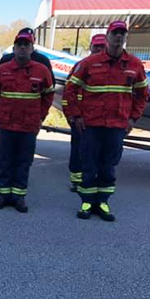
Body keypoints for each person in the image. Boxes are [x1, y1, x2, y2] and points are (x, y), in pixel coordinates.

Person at [64, 21, 149, 221]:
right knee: (89, 163)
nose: (118, 37)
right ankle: (86, 201)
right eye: (115, 33)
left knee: (108, 165)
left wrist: (132, 118)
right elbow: (70, 89)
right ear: (108, 35)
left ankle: (103, 201)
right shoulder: (89, 63)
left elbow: (142, 94)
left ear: (125, 37)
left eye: (122, 33)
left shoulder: (135, 65)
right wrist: (76, 115)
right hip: (92, 124)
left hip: (117, 125)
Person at [0, 31, 54, 213]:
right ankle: (2, 194)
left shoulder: (41, 71)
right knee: (5, 160)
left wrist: (41, 116)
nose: (23, 48)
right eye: (20, 45)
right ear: (15, 48)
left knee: (24, 161)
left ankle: (19, 197)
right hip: (6, 125)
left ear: (32, 49)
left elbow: (48, 94)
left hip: (28, 126)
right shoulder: (3, 69)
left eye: (27, 45)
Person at [61, 34, 106, 192]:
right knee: (78, 148)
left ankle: (94, 179)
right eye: (96, 46)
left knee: (99, 151)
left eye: (102, 46)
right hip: (80, 117)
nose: (99, 49)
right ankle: (76, 180)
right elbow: (68, 92)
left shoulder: (112, 68)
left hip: (102, 120)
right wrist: (70, 115)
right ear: (90, 48)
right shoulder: (81, 66)